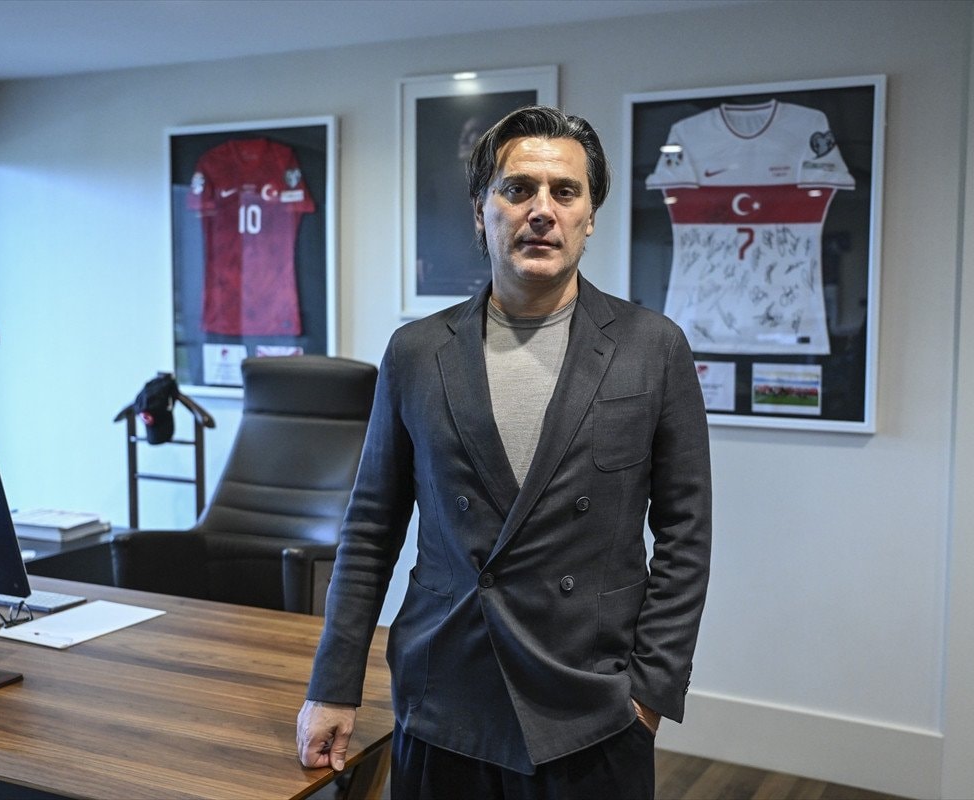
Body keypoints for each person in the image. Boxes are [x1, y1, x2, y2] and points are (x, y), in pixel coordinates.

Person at [297, 105, 712, 799]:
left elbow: (686, 534)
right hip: (445, 695)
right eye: (518, 189)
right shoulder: (416, 352)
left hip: (593, 703)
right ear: (481, 211)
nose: (541, 210)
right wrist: (333, 685)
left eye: (565, 191)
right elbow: (370, 528)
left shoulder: (653, 347)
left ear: (590, 216)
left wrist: (650, 693)